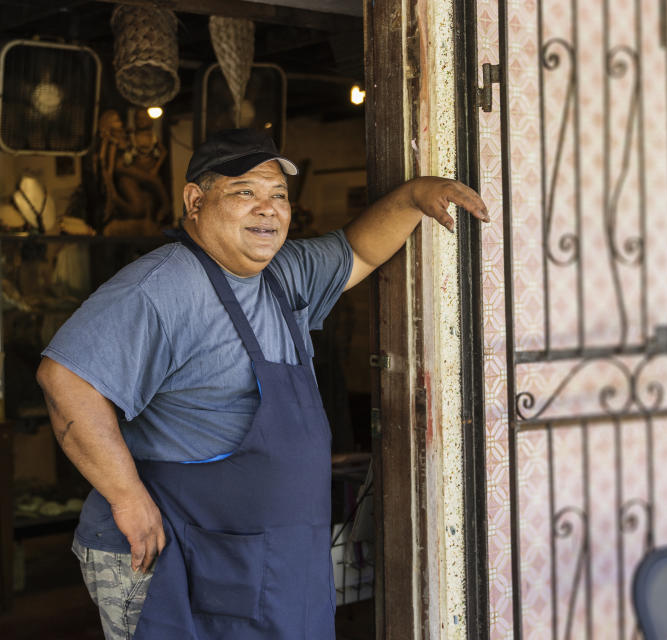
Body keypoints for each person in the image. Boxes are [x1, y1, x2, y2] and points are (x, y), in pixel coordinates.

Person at [36, 128, 488, 639]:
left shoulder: (282, 274)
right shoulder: (162, 287)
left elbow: (359, 252)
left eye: (278, 195)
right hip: (171, 555)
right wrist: (125, 495)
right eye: (245, 192)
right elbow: (65, 379)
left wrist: (413, 197)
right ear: (195, 201)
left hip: (263, 559)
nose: (267, 209)